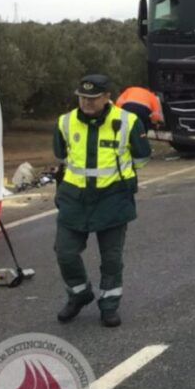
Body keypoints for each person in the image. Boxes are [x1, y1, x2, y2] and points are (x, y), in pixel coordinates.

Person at [52, 74, 151, 327]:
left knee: (111, 258)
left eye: (93, 98)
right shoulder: (65, 122)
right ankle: (79, 294)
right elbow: (61, 155)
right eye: (83, 97)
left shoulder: (128, 122)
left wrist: (120, 177)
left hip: (113, 198)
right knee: (65, 252)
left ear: (108, 97)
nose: (87, 102)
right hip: (74, 198)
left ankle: (109, 305)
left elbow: (141, 158)